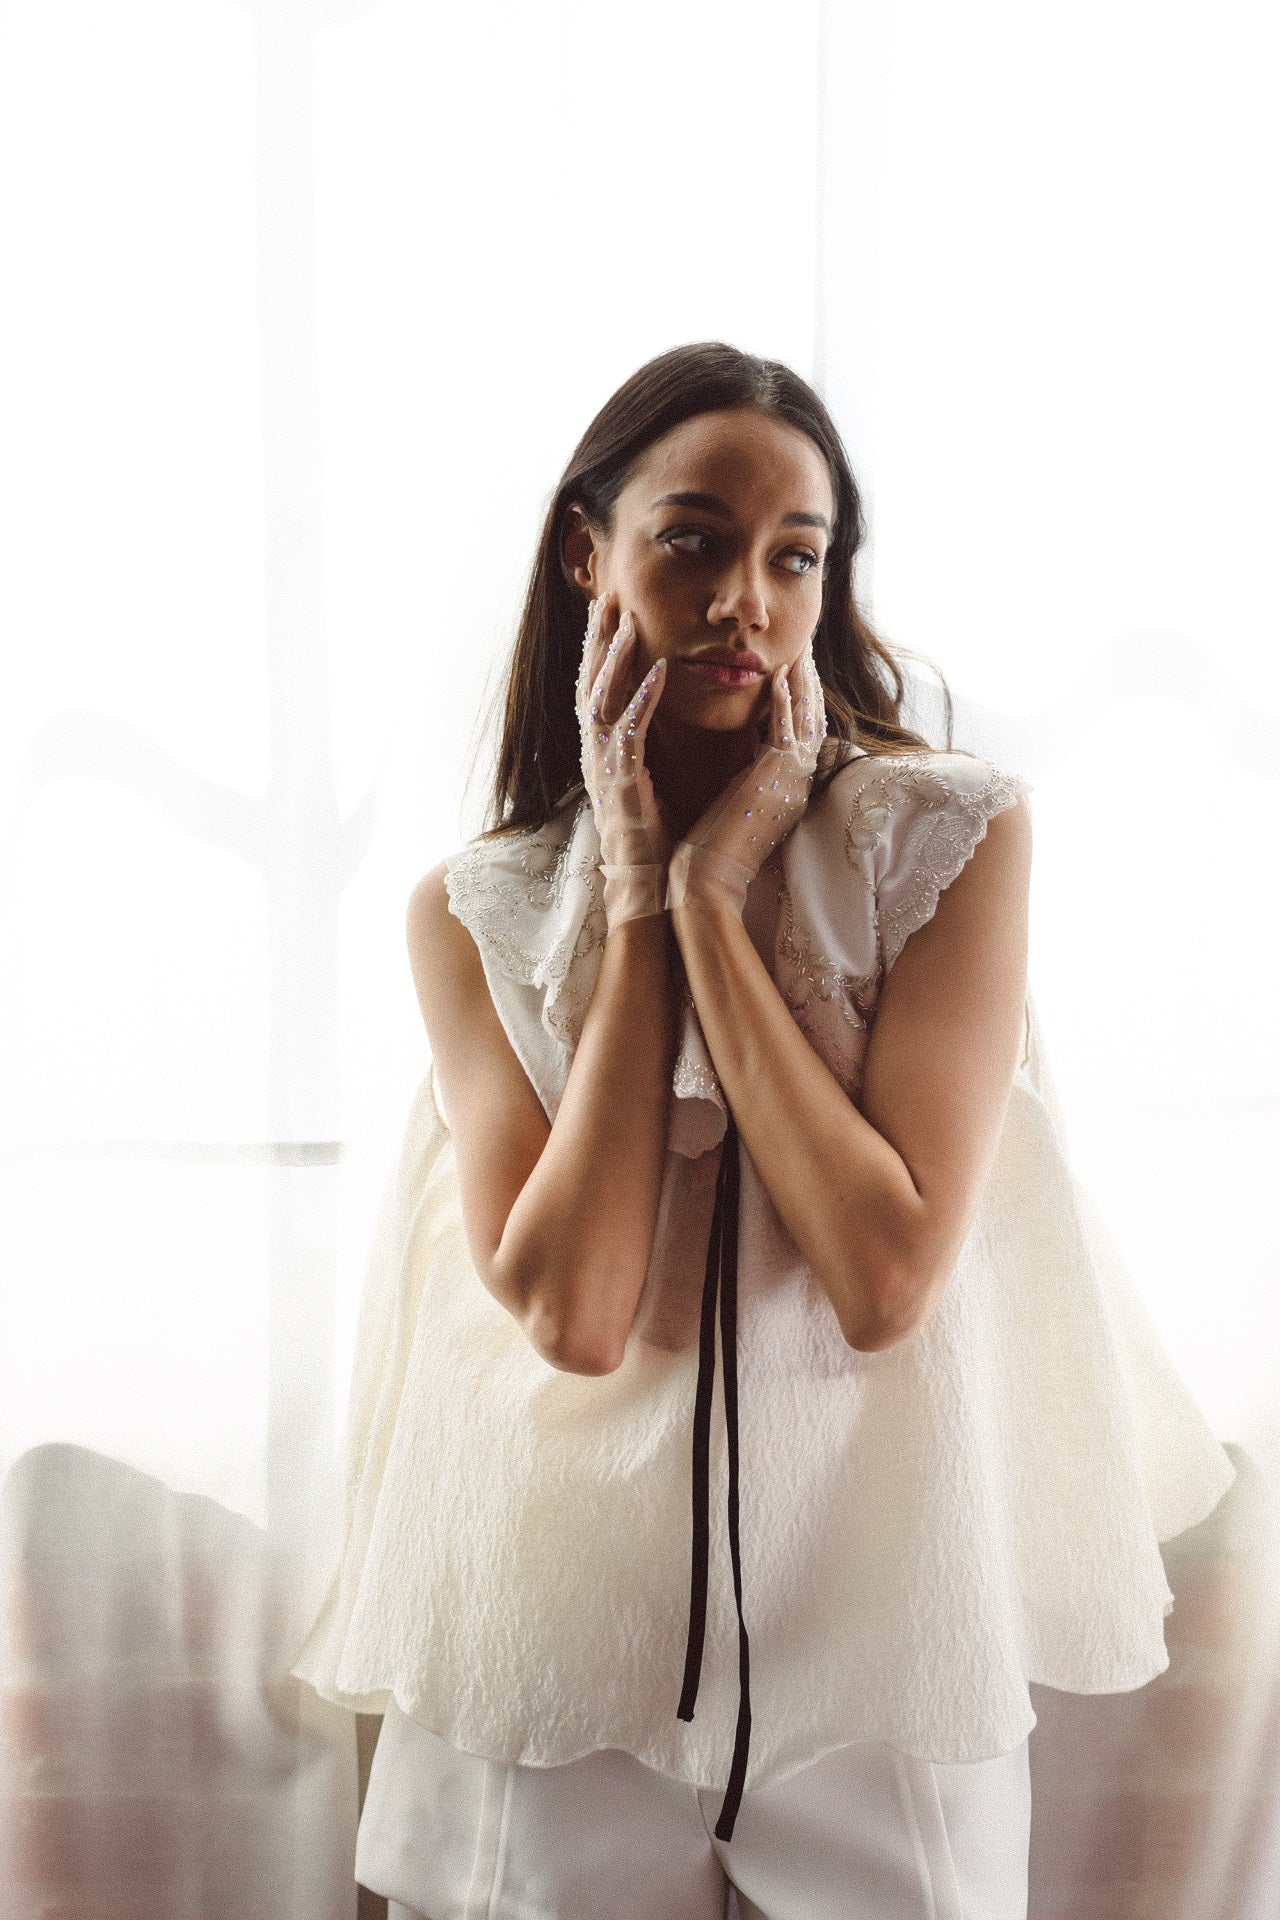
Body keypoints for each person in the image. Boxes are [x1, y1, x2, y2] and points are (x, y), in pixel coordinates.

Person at [290, 342, 1236, 1920]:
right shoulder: (480, 911)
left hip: (878, 1637)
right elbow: (577, 1317)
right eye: (694, 539)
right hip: (557, 1639)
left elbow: (883, 1278)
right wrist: (645, 899)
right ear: (588, 550)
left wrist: (723, 902)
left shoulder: (945, 838)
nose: (750, 597)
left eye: (796, 556)